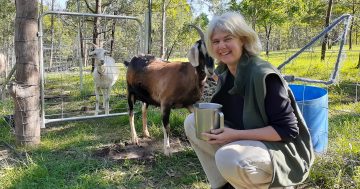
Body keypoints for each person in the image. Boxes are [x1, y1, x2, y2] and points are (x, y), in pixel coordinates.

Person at [184, 12, 315, 189]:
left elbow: (288, 130)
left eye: (228, 38)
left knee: (227, 157)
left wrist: (235, 135)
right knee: (193, 122)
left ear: (243, 40)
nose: (221, 46)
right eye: (216, 41)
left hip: (281, 150)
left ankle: (277, 184)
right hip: (248, 141)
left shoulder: (263, 75)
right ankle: (224, 185)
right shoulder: (225, 72)